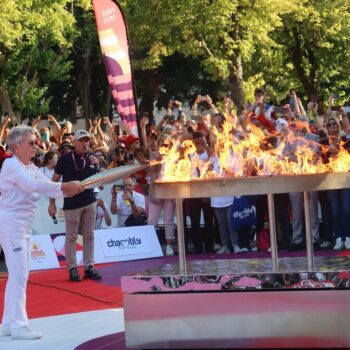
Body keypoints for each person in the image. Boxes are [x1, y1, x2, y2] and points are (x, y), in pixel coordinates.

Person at [0, 125, 83, 340]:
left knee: (18, 275)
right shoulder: (10, 164)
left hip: (23, 226)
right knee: (19, 274)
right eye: (31, 142)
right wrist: (66, 187)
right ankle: (19, 325)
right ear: (16, 146)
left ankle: (8, 323)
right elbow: (31, 186)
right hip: (11, 225)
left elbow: (46, 183)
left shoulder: (30, 166)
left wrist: (69, 187)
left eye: (36, 141)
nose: (36, 146)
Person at [48, 130, 102, 282]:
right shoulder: (65, 160)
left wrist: (97, 165)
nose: (85, 143)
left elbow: (99, 181)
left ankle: (89, 266)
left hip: (90, 201)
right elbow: (54, 182)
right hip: (72, 204)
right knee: (71, 236)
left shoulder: (93, 158)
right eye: (82, 140)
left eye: (87, 140)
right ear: (74, 143)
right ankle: (72, 268)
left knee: (89, 235)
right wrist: (51, 203)